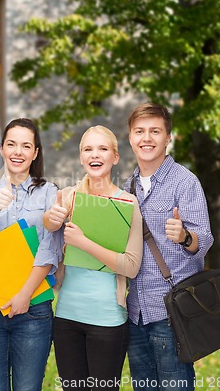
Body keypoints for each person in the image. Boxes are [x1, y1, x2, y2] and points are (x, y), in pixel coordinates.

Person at [43, 125, 143, 391]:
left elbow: (131, 267)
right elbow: (48, 230)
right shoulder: (66, 197)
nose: (94, 155)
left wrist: (84, 243)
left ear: (115, 157)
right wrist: (50, 220)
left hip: (107, 320)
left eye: (102, 149)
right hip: (66, 318)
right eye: (88, 149)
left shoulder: (128, 203)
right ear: (80, 157)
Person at [124, 102, 214, 391]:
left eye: (155, 131)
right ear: (130, 137)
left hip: (170, 314)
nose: (146, 138)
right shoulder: (128, 187)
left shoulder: (185, 183)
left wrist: (185, 236)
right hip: (135, 313)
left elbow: (204, 240)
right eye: (140, 131)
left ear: (168, 137)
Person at [0, 118, 61, 391]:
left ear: (35, 152)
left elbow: (50, 247)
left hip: (33, 308)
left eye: (26, 146)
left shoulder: (49, 193)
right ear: (1, 149)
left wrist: (25, 294)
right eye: (11, 144)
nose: (18, 152)